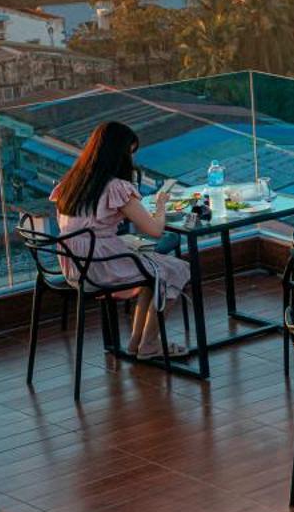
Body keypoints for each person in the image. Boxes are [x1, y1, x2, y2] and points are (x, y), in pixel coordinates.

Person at [50, 120, 192, 358]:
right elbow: (154, 229)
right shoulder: (115, 188)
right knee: (175, 268)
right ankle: (149, 344)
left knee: (155, 271)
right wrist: (160, 205)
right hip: (98, 265)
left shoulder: (72, 182)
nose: (131, 159)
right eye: (130, 152)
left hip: (74, 264)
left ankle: (139, 342)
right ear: (119, 153)